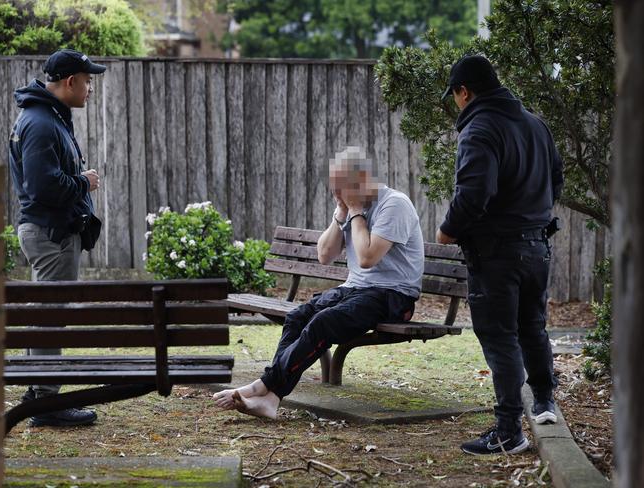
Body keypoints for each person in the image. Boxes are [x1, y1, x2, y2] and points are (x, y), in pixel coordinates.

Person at [213, 146, 425, 418]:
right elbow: (324, 255)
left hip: (393, 295)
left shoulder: (394, 204)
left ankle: (264, 385)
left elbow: (368, 258)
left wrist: (357, 213)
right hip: (355, 290)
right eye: (333, 187)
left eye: (340, 187)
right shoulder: (348, 206)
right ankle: (273, 398)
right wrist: (341, 213)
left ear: (362, 179)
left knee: (323, 323)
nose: (336, 193)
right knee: (298, 316)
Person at [438, 55, 564, 455]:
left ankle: (509, 430)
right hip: (537, 245)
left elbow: (474, 194)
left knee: (500, 336)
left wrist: (448, 229)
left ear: (464, 91)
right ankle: (544, 401)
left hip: (495, 252)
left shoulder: (479, 128)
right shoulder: (535, 124)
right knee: (533, 326)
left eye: (455, 96)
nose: (457, 104)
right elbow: (556, 181)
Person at [9, 48, 106, 427]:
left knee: (44, 314)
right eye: (87, 80)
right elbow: (42, 186)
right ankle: (47, 403)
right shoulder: (42, 122)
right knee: (51, 316)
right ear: (69, 82)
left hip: (50, 231)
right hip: (52, 234)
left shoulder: (45, 116)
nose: (90, 88)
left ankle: (39, 393)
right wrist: (84, 182)